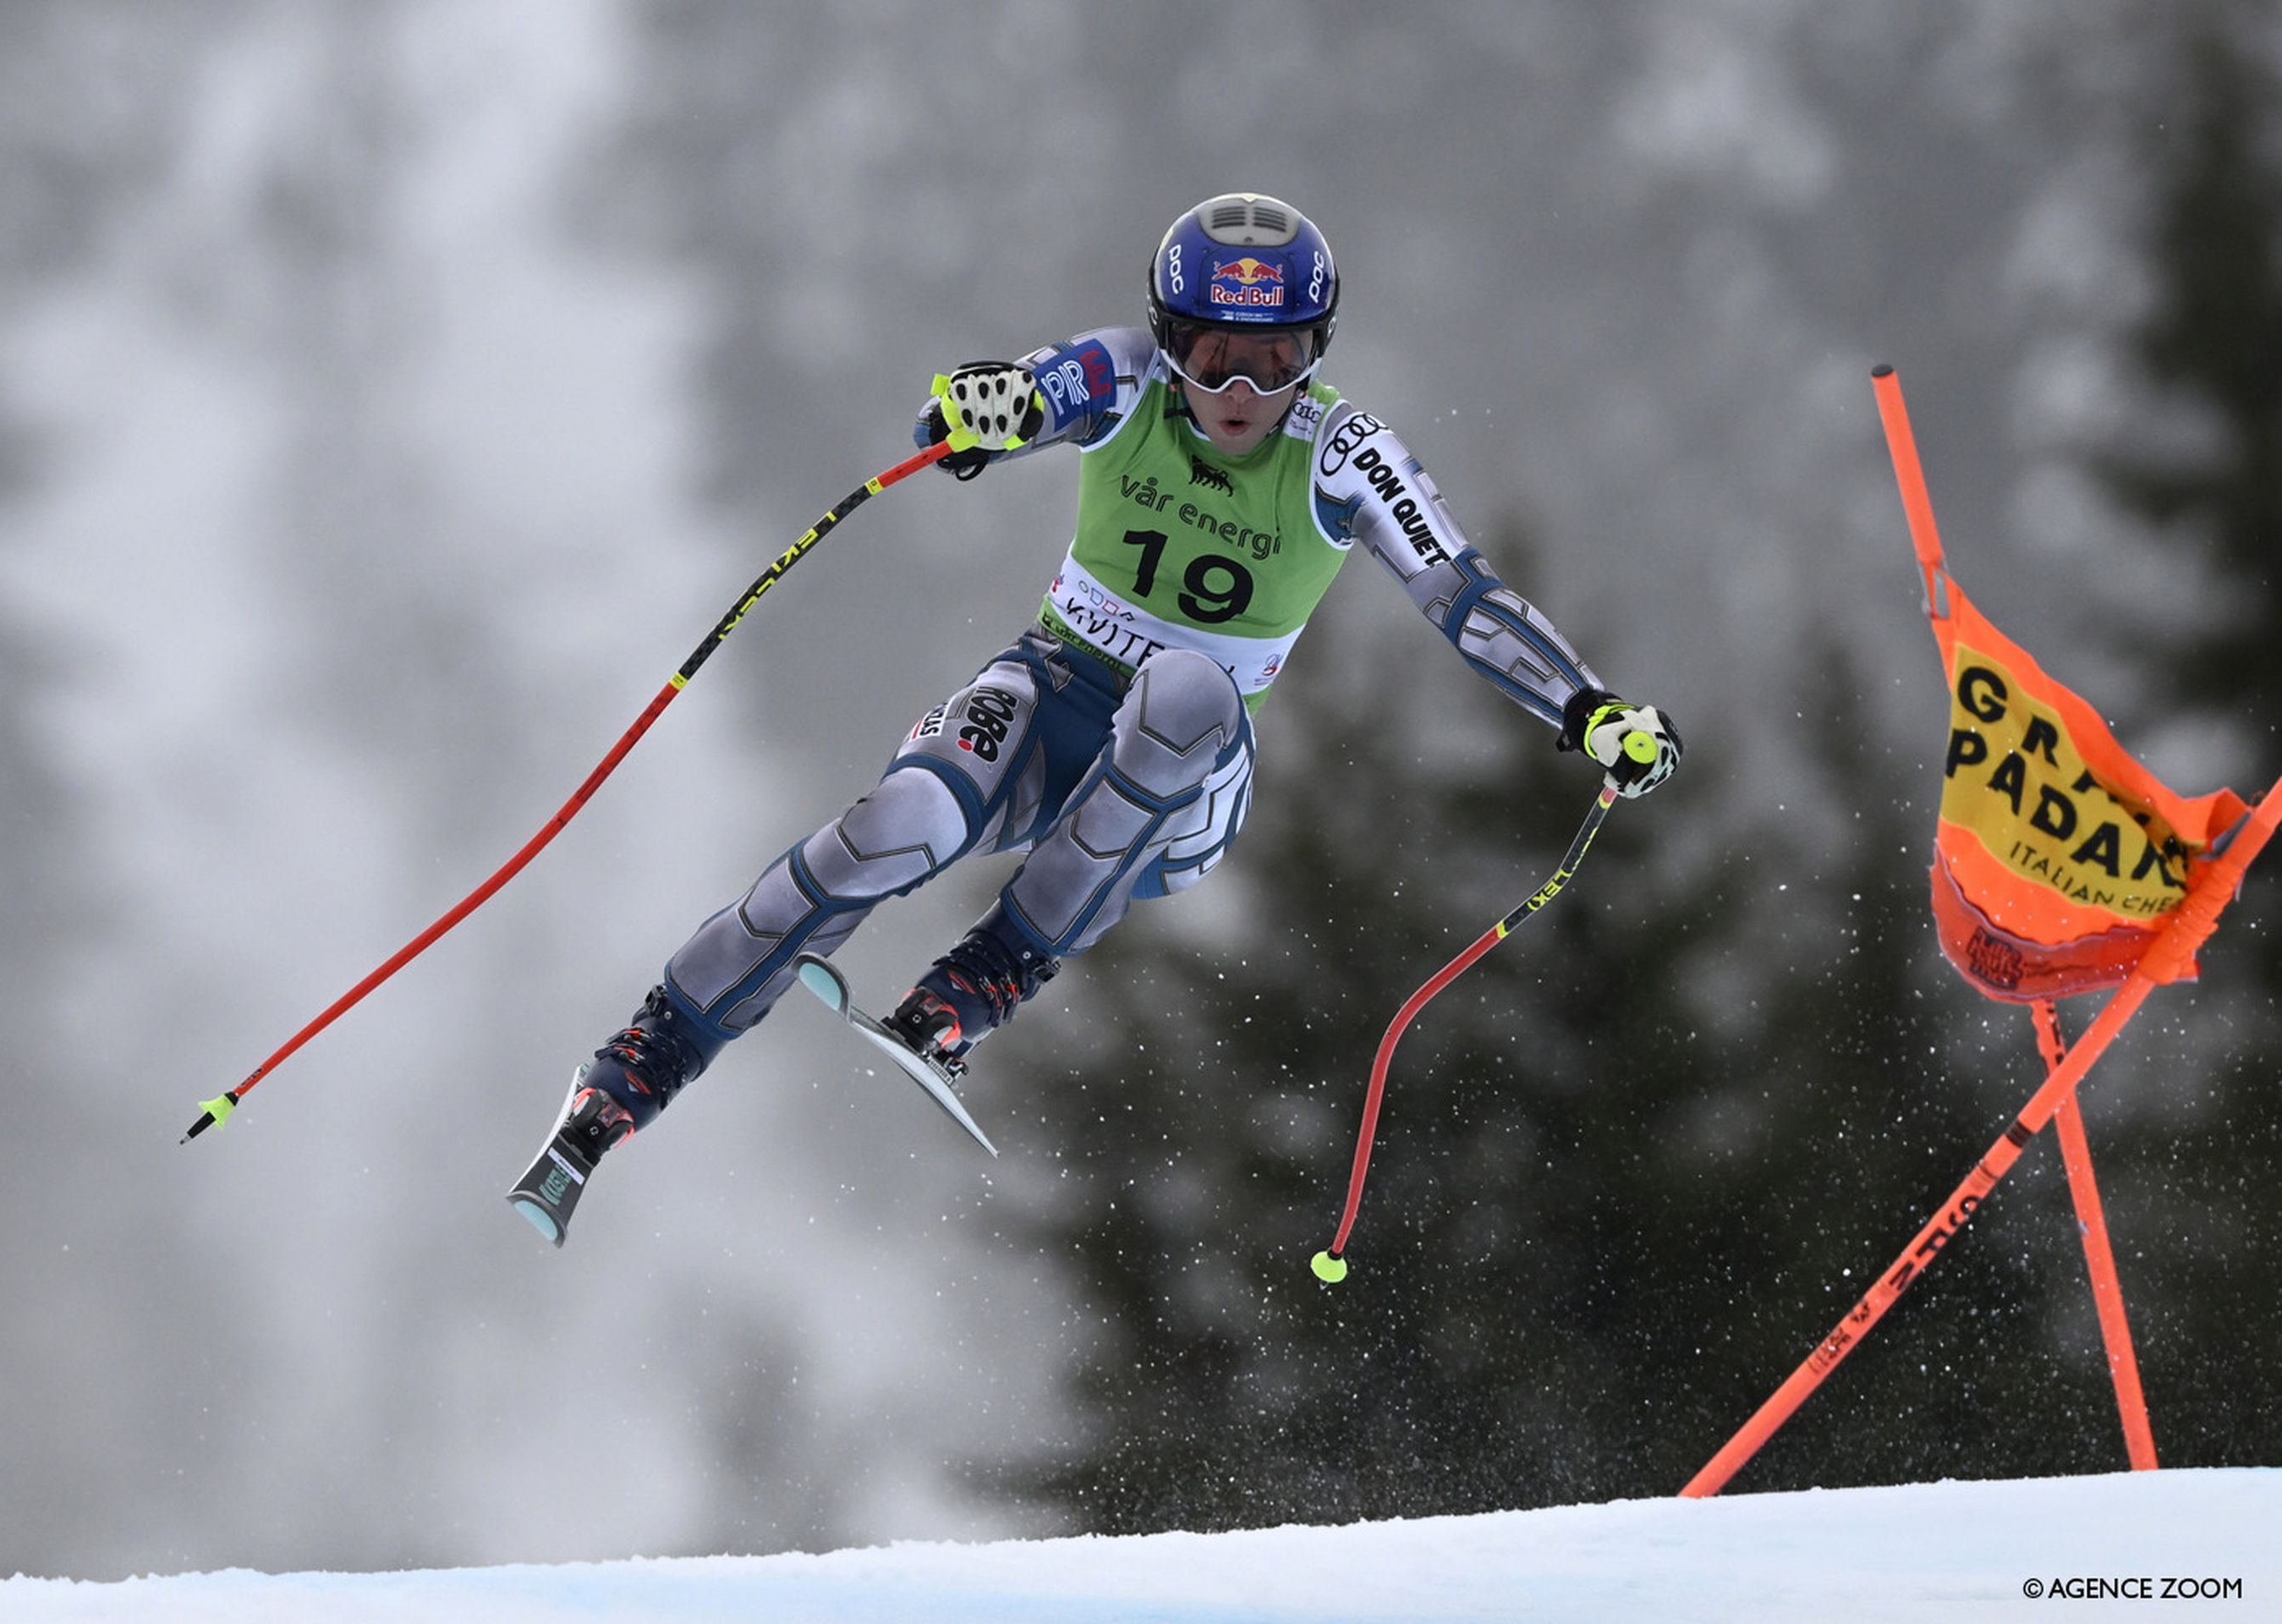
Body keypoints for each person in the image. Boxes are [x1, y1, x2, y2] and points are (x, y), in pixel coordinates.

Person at [516, 191, 1681, 1230]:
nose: (1238, 394)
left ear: (1313, 356)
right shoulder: (1126, 378)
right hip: (1051, 693)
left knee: (1182, 689)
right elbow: (1022, 396)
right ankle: (639, 1066)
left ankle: (988, 976)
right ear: (1171, 339)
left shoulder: (1345, 453)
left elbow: (1461, 595)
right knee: (895, 826)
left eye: (1273, 363)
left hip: (1187, 782)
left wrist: (1587, 711)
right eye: (1213, 356)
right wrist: (967, 422)